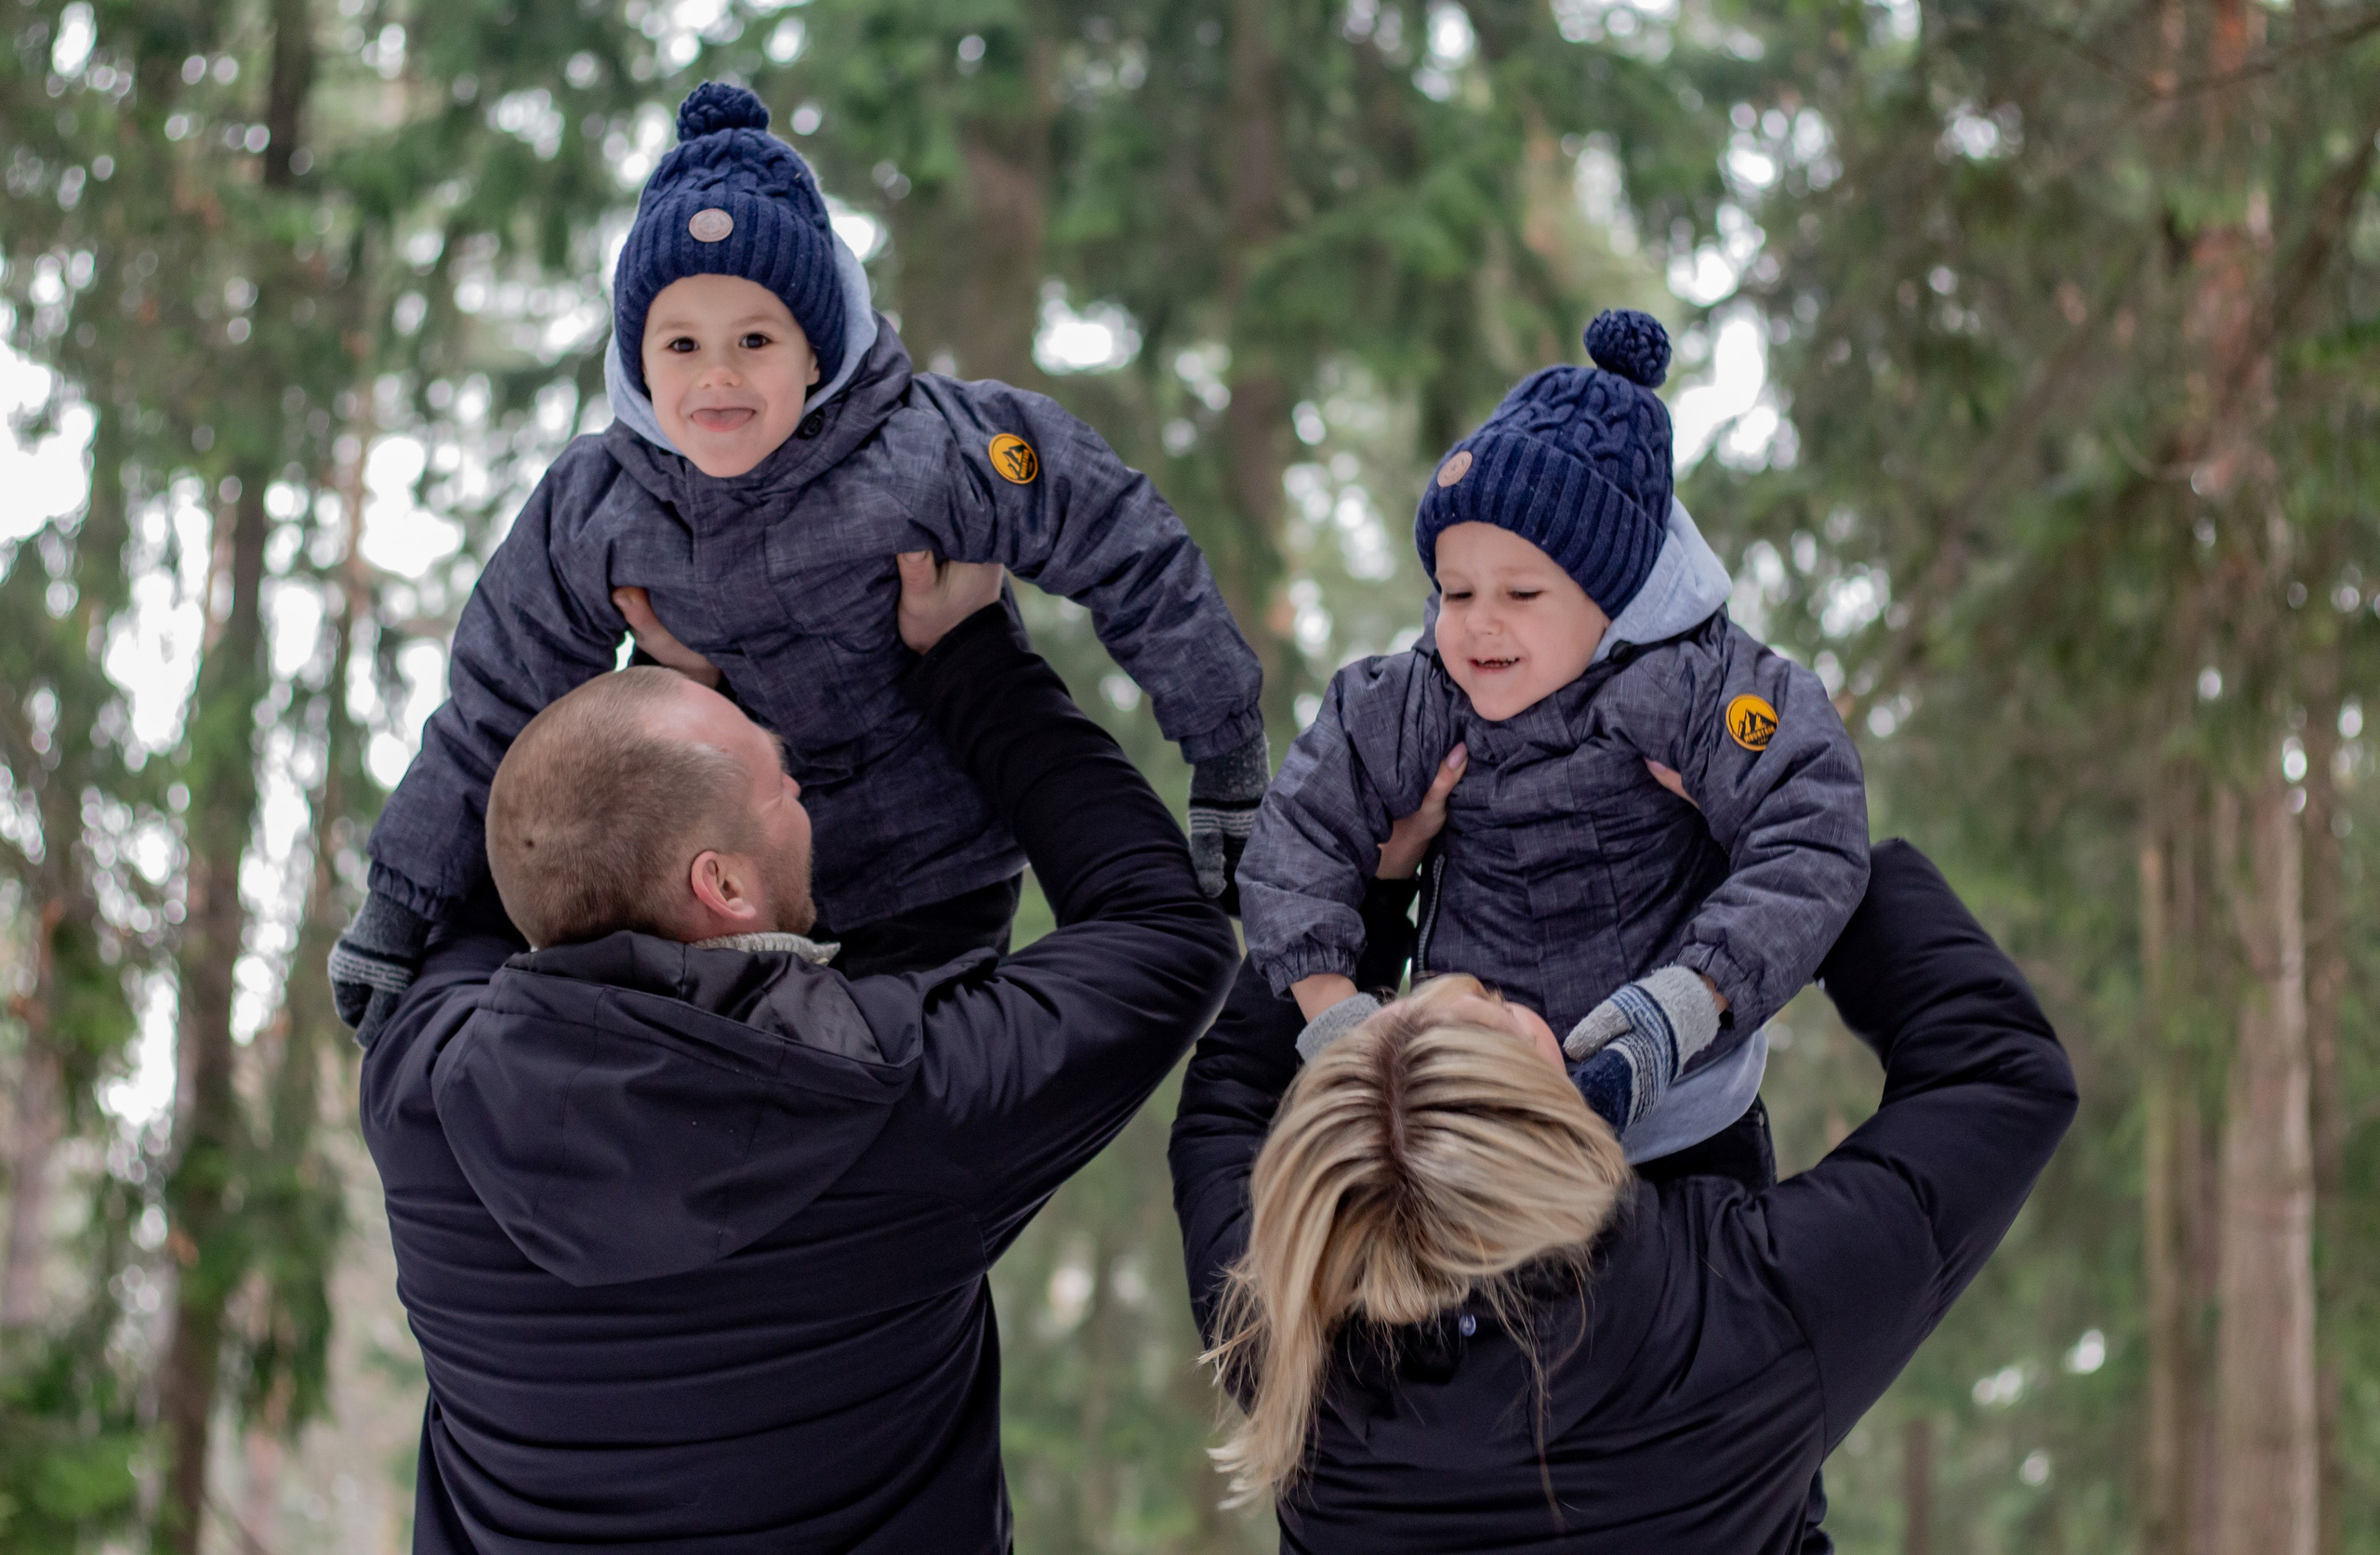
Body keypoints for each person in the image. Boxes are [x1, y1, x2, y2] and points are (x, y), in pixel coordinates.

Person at [329, 79, 1265, 1037]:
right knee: (735, 1099)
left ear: (815, 352)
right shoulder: (596, 505)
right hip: (724, 895)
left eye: (755, 339)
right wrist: (401, 904)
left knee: (907, 1090)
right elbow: (497, 702)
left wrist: (1225, 748)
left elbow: (1123, 540)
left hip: (932, 871)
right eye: (682, 343)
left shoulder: (929, 450)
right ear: (638, 364)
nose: (718, 375)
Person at [361, 554, 1237, 1552]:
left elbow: (523, 856)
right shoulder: (904, 1106)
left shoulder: (420, 1101)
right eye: (783, 786)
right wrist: (970, 658)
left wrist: (664, 703)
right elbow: (1169, 932)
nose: (803, 783)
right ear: (723, 887)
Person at [1170, 838, 2076, 1552]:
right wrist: (1812, 859)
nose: (1466, 980)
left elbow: (1222, 1115)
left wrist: (1370, 893)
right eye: (1493, 1004)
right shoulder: (1743, 1317)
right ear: (1563, 1110)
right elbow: (1999, 1080)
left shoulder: (1288, 1332)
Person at [1236, 309, 1869, 1169]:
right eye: (1455, 593)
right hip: (1477, 1126)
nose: (1478, 625)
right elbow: (1294, 835)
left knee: (1700, 1293)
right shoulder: (1424, 697)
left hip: (1682, 1118)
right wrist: (1344, 1024)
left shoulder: (1694, 685)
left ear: (1614, 593)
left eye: (1521, 594)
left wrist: (1685, 1005)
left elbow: (1812, 822)